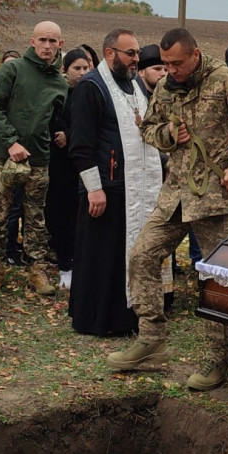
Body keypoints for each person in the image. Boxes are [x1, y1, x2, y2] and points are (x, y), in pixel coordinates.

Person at [107, 28, 228, 391]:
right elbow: (148, 130)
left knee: (217, 281)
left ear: (195, 55)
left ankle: (219, 357)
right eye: (165, 64)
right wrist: (168, 133)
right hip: (175, 196)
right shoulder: (166, 87)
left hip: (214, 199)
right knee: (142, 256)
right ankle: (151, 340)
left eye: (177, 63)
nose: (170, 70)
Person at [66, 29, 165, 335]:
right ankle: (97, 319)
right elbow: (81, 146)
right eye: (131, 53)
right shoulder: (91, 87)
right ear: (110, 54)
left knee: (127, 253)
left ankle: (127, 316)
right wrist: (94, 188)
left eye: (136, 53)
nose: (137, 59)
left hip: (134, 187)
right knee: (102, 256)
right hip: (105, 189)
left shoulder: (135, 87)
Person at [0, 21, 68, 297]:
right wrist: (10, 141)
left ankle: (37, 269)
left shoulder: (59, 81)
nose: (47, 46)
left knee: (36, 218)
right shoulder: (13, 69)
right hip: (3, 156)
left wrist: (62, 132)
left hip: (38, 159)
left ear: (60, 45)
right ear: (32, 41)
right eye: (42, 40)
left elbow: (57, 118)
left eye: (53, 41)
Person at [46, 47, 94, 278]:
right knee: (62, 212)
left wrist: (71, 135)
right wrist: (63, 132)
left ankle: (80, 259)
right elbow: (53, 120)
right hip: (61, 163)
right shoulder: (60, 92)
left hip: (84, 164)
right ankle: (64, 261)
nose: (82, 72)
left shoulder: (92, 93)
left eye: (86, 68)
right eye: (77, 68)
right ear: (66, 70)